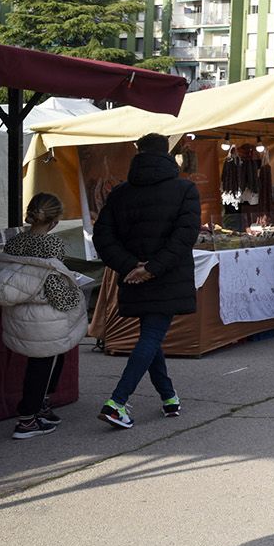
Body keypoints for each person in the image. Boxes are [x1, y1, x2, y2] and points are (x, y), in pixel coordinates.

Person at [92, 132, 201, 428]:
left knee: (150, 336)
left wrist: (130, 266)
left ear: (138, 152)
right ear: (167, 152)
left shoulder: (120, 193)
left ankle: (168, 396)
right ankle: (117, 401)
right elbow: (185, 236)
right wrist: (152, 268)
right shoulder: (184, 190)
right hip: (166, 276)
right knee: (151, 337)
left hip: (136, 277)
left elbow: (102, 236)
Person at [0, 194, 88, 439]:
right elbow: (55, 290)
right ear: (55, 220)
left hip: (18, 315)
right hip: (43, 320)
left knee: (44, 362)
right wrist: (75, 294)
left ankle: (39, 407)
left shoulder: (14, 243)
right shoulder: (52, 246)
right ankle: (27, 419)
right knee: (42, 365)